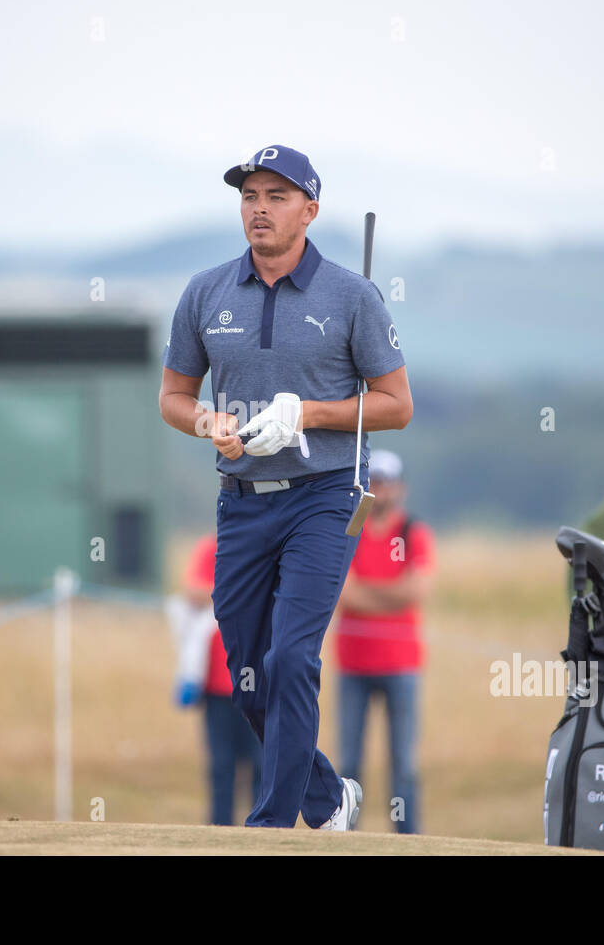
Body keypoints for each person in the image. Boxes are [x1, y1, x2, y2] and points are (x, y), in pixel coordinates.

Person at [158, 144, 413, 829]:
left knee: (292, 654)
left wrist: (311, 413)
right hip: (241, 501)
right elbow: (172, 397)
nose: (259, 208)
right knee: (246, 671)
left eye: (276, 196)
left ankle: (272, 827)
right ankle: (327, 797)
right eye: (249, 195)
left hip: (324, 496)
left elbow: (396, 404)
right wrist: (206, 420)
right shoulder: (206, 292)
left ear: (310, 209)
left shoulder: (351, 296)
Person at [333, 449, 435, 834]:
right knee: (349, 763)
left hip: (401, 665)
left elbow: (417, 590)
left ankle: (407, 839)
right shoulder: (348, 529)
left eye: (387, 483)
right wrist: (392, 594)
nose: (380, 489)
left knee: (404, 763)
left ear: (400, 488)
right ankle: (345, 836)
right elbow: (342, 591)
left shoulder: (413, 532)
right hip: (353, 665)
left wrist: (366, 595)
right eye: (373, 482)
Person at [167, 533, 263, 826]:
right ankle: (220, 835)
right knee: (222, 768)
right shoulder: (212, 546)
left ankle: (264, 835)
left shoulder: (267, 545)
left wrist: (225, 595)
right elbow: (192, 590)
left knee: (262, 767)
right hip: (217, 688)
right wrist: (239, 594)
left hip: (261, 685)